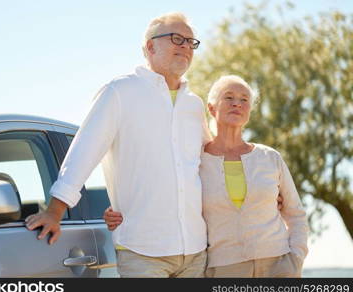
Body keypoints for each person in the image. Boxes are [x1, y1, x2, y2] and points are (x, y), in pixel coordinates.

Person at [25, 12, 211, 278]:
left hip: (195, 251)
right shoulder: (120, 92)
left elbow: (211, 162)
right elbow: (85, 150)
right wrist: (55, 211)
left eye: (191, 42)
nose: (185, 46)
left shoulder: (194, 105)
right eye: (176, 38)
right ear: (150, 46)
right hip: (142, 251)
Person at [105, 75, 308, 278]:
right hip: (224, 269)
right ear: (211, 109)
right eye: (229, 97)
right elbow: (165, 191)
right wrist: (123, 208)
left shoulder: (270, 158)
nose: (237, 103)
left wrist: (295, 259)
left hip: (279, 265)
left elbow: (296, 214)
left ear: (249, 111)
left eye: (244, 99)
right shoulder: (195, 160)